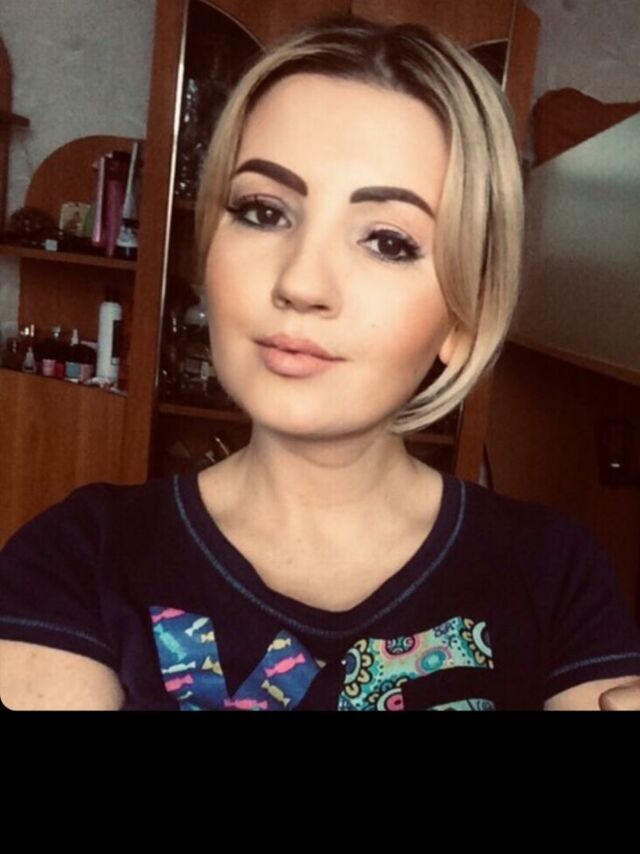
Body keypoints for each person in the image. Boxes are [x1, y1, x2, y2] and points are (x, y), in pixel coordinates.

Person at [1, 14, 639, 711]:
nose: (301, 283)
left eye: (388, 241)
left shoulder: (554, 572)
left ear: (466, 316)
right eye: (263, 211)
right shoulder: (80, 556)